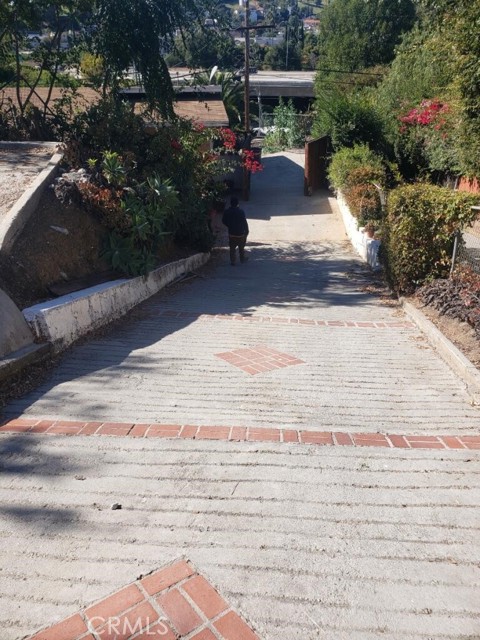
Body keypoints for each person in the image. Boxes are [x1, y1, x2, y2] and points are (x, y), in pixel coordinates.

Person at [222, 196, 249, 265]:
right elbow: (244, 222)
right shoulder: (241, 212)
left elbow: (223, 221)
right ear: (237, 204)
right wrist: (246, 231)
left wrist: (229, 225)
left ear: (230, 204)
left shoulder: (227, 212)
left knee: (232, 248)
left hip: (232, 233)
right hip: (240, 233)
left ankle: (233, 261)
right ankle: (242, 259)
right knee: (241, 247)